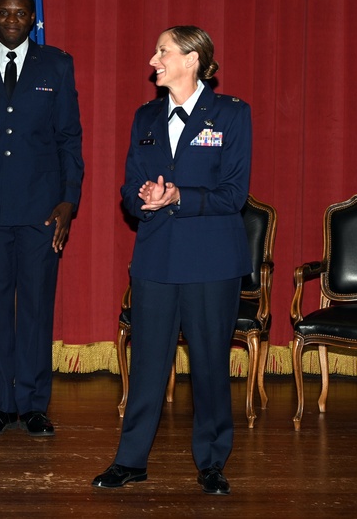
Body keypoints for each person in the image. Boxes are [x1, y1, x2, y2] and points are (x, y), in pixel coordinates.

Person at [92, 26, 252, 495]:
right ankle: (131, 460)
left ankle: (211, 461)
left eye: (163, 51)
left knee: (208, 366)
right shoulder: (144, 117)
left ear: (192, 59)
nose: (153, 58)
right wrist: (144, 198)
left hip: (211, 261)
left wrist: (179, 195)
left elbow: (234, 193)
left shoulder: (231, 115)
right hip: (156, 259)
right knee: (147, 366)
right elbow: (128, 188)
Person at [0, 0, 84, 438]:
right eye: (4, 12)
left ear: (32, 19)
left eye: (20, 13)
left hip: (42, 208)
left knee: (35, 306)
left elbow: (69, 137)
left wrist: (70, 199)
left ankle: (32, 403)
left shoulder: (57, 65)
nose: (12, 20)